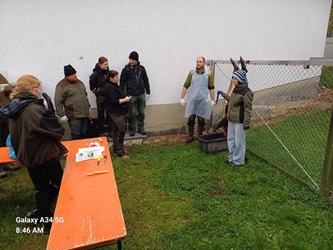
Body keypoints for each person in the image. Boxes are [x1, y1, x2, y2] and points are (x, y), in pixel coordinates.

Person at [0, 74, 68, 233]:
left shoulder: (13, 106)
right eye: (38, 87)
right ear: (31, 89)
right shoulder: (34, 109)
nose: (40, 90)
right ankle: (48, 221)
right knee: (59, 183)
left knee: (41, 188)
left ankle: (41, 215)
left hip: (27, 154)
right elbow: (58, 131)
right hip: (44, 155)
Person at [219, 69, 253, 166]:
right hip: (231, 120)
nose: (233, 80)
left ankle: (238, 161)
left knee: (239, 142)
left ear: (240, 79)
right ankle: (231, 159)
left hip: (239, 121)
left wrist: (246, 122)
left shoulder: (247, 92)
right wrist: (223, 94)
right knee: (230, 140)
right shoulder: (236, 88)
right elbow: (232, 100)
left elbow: (247, 108)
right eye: (233, 78)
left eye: (235, 78)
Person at [180, 56, 215, 143]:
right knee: (191, 118)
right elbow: (185, 85)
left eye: (200, 62)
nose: (198, 63)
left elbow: (211, 87)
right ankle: (190, 136)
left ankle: (200, 136)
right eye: (197, 62)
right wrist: (182, 98)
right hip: (192, 99)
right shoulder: (191, 73)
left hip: (203, 100)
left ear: (204, 63)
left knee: (201, 119)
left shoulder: (209, 74)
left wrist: (212, 99)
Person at [55, 65, 90, 140]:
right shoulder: (61, 85)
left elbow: (85, 95)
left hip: (84, 113)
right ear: (67, 76)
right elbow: (58, 101)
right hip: (74, 115)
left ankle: (83, 149)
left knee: (84, 132)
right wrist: (62, 114)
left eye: (75, 74)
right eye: (73, 75)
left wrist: (88, 106)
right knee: (75, 134)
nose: (75, 76)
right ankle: (74, 149)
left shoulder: (80, 82)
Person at [120, 51, 150, 136]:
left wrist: (148, 92)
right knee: (132, 113)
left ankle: (141, 128)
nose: (131, 61)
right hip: (131, 94)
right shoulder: (126, 70)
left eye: (133, 59)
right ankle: (132, 129)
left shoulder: (142, 68)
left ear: (137, 60)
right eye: (130, 59)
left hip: (141, 94)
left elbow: (146, 80)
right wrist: (122, 94)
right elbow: (122, 82)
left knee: (141, 112)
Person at [105, 70, 131, 159]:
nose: (118, 78)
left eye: (118, 76)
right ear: (111, 78)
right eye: (116, 77)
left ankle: (117, 149)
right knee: (121, 132)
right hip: (115, 113)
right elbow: (113, 101)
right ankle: (120, 152)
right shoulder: (109, 88)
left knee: (117, 132)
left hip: (120, 112)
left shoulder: (116, 86)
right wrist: (125, 100)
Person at [0, 73, 19, 179]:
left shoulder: (0, 76)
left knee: (5, 137)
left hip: (4, 110)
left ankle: (6, 162)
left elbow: (11, 92)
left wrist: (7, 90)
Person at [89, 56, 109, 135]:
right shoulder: (95, 74)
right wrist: (97, 93)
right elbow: (92, 87)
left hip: (109, 96)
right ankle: (101, 131)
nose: (106, 66)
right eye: (105, 64)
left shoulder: (108, 73)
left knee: (109, 113)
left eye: (107, 64)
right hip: (100, 97)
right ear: (100, 64)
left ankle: (110, 130)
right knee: (101, 114)